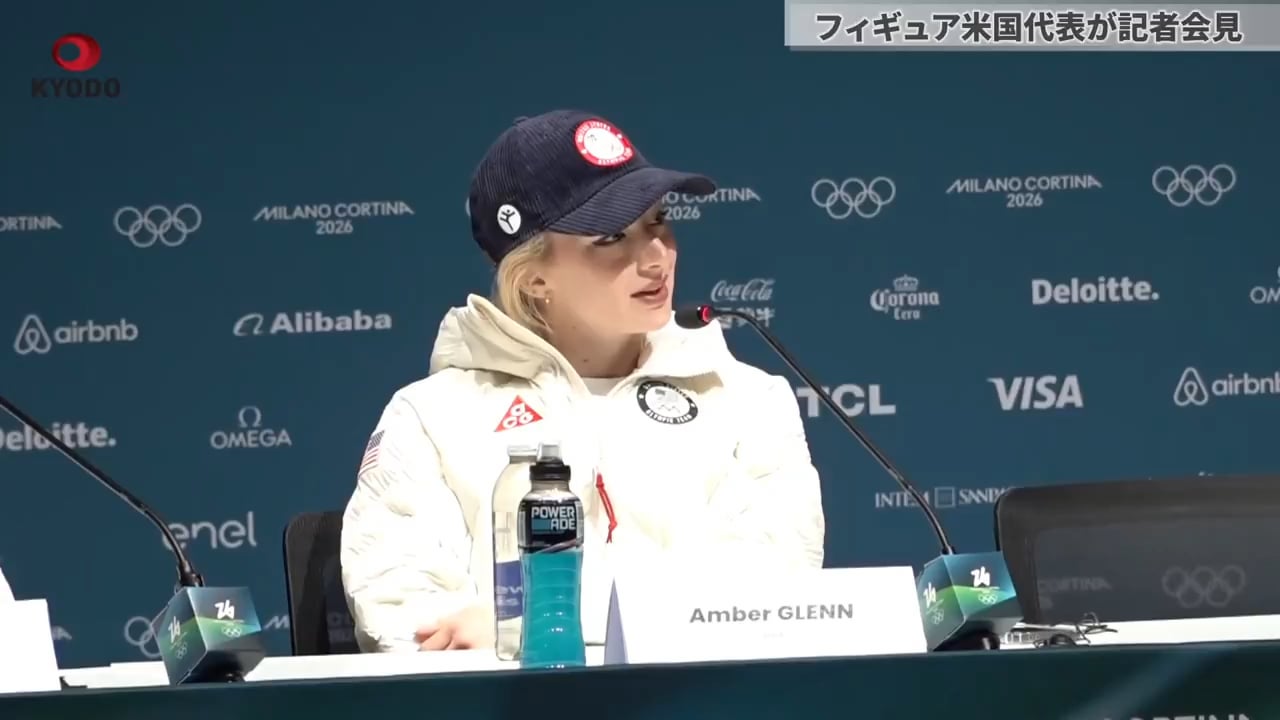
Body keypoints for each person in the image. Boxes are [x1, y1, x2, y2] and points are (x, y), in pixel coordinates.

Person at [339, 109, 826, 653]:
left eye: (659, 220)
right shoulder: (430, 417)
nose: (656, 256)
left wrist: (536, 621)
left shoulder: (750, 401)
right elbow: (405, 613)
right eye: (612, 236)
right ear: (533, 277)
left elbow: (768, 593)